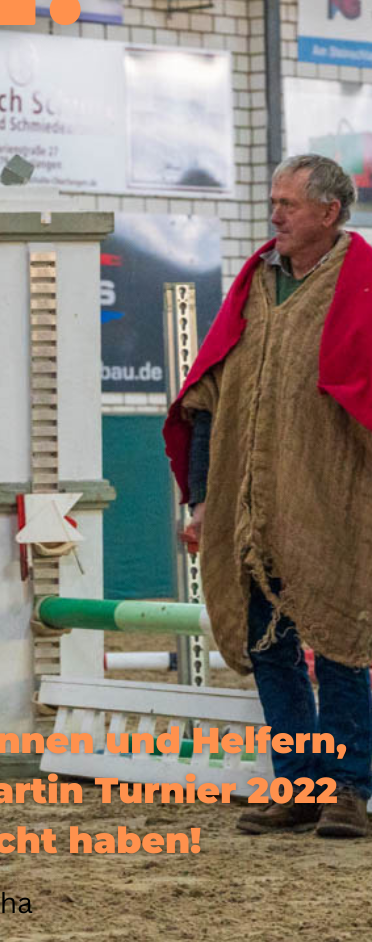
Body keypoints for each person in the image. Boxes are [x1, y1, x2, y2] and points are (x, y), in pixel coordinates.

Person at [165, 153, 372, 839]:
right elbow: (206, 397)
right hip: (248, 504)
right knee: (268, 644)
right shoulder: (254, 283)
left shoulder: (362, 285)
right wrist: (202, 499)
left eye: (289, 204)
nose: (274, 214)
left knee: (341, 640)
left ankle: (350, 789)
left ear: (329, 213)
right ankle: (300, 786)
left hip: (334, 502)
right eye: (274, 201)